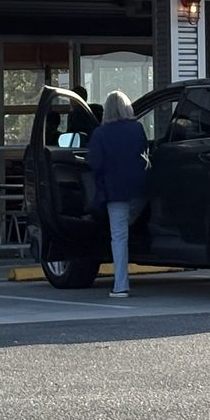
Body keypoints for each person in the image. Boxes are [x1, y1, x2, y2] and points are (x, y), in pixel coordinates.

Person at [86, 90, 147, 298]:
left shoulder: (100, 134)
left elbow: (94, 163)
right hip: (140, 191)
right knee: (135, 228)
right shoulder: (137, 128)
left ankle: (121, 285)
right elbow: (144, 156)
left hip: (115, 193)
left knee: (119, 236)